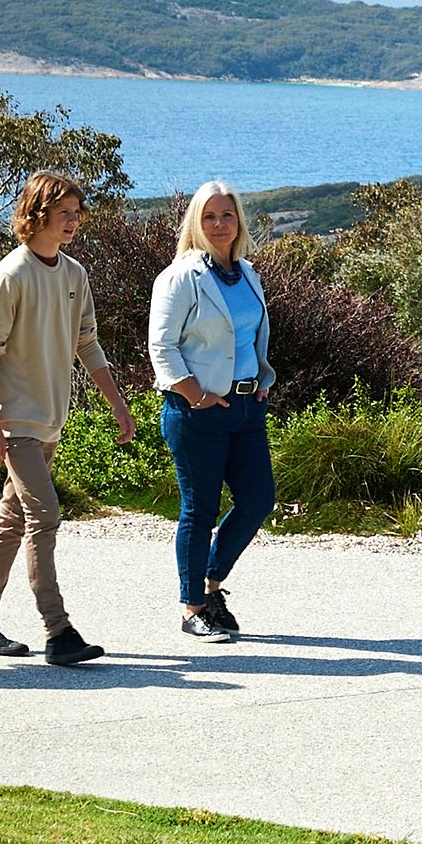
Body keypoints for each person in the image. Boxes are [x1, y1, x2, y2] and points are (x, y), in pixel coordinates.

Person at [0, 168, 137, 667]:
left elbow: (87, 341)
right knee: (44, 514)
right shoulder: (11, 275)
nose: (73, 222)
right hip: (15, 423)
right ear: (38, 213)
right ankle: (58, 631)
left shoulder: (74, 274)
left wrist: (117, 401)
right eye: (64, 213)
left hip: (49, 422)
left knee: (12, 520)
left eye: (77, 214)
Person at [149, 180, 277, 643]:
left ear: (238, 220)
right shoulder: (181, 276)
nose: (219, 224)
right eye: (209, 217)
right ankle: (193, 608)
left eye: (227, 215)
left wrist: (263, 379)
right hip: (198, 411)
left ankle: (211, 582)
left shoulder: (246, 272)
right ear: (195, 224)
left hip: (246, 407)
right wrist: (194, 393)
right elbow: (161, 346)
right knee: (199, 510)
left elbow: (250, 336)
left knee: (258, 500)